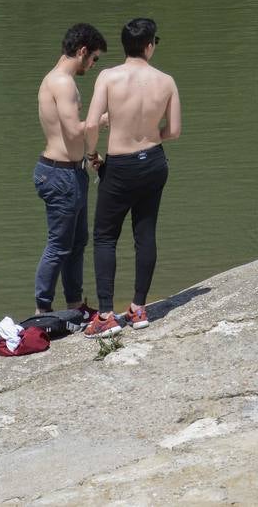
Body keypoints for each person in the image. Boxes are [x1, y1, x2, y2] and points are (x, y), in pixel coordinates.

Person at [82, 18, 181, 337]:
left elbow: (91, 125)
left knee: (105, 236)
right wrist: (151, 135)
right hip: (153, 162)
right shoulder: (166, 81)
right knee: (145, 232)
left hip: (120, 165)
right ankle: (139, 309)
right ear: (149, 45)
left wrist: (92, 155)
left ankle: (107, 315)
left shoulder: (109, 77)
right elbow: (174, 131)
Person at [33, 23, 106, 314]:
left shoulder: (58, 79)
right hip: (59, 174)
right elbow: (74, 130)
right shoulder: (62, 82)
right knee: (59, 245)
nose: (92, 64)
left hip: (71, 172)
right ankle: (42, 311)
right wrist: (101, 119)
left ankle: (74, 304)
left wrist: (91, 155)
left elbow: (74, 136)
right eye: (94, 59)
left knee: (76, 243)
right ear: (82, 51)